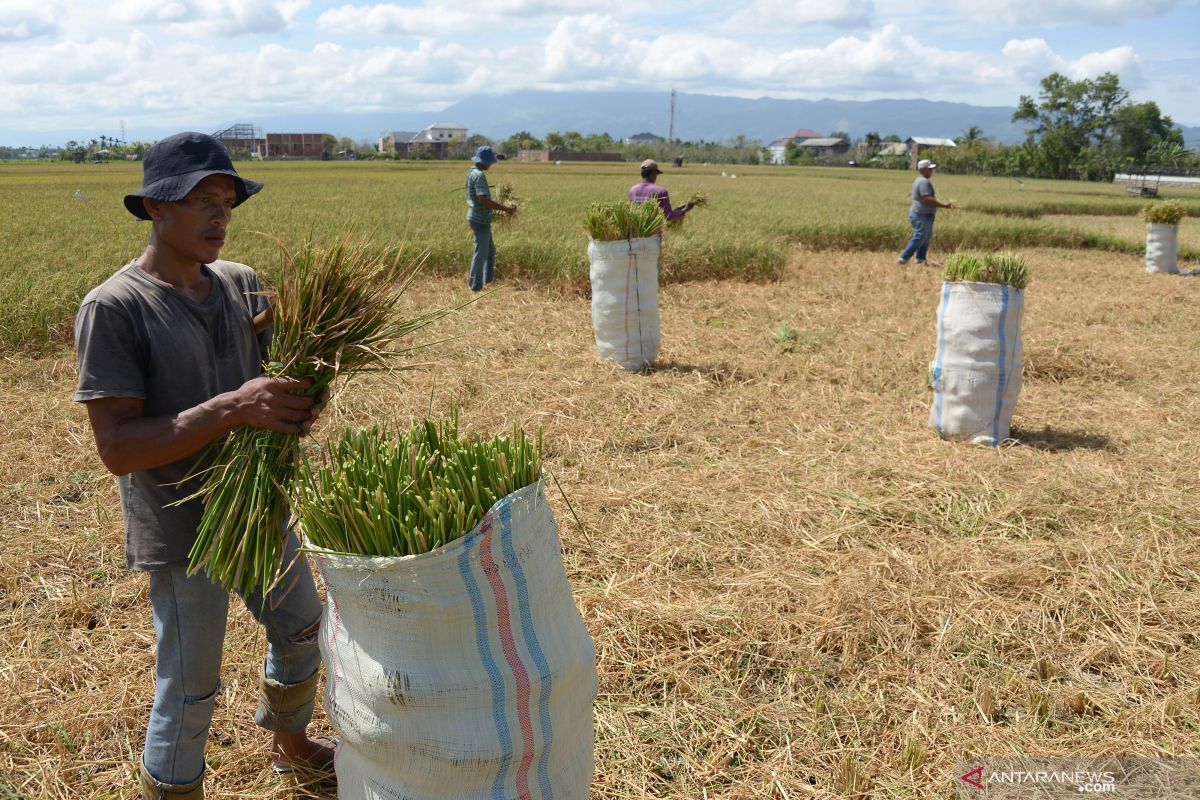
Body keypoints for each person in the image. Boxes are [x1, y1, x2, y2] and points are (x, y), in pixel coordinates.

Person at [72, 132, 335, 799]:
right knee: (190, 689)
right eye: (201, 202)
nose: (220, 216)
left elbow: (277, 382)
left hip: (257, 507)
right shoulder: (116, 307)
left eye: (227, 202)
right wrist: (232, 408)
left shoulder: (243, 286)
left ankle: (292, 746)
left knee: (305, 631)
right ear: (155, 208)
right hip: (183, 525)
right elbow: (118, 447)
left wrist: (304, 391)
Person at [465, 145, 516, 292]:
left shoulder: (472, 172)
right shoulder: (479, 176)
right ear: (483, 161)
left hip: (479, 218)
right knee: (480, 252)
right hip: (479, 220)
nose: (491, 164)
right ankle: (475, 286)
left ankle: (488, 279)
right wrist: (506, 209)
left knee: (490, 251)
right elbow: (484, 201)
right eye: (490, 162)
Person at [898, 158, 953, 265]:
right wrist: (944, 205)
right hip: (921, 214)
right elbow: (927, 199)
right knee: (920, 236)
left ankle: (921, 259)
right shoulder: (924, 182)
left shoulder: (919, 180)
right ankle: (904, 257)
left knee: (925, 237)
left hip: (922, 214)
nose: (931, 171)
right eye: (929, 169)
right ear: (923, 170)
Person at [629, 159, 694, 222]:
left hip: (635, 231)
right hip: (654, 232)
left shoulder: (632, 190)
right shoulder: (661, 191)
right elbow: (668, 216)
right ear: (653, 172)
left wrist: (678, 210)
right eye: (657, 173)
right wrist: (685, 209)